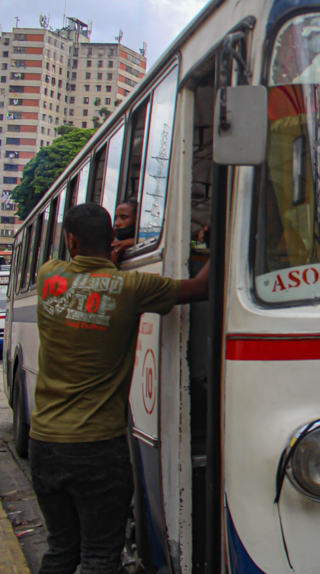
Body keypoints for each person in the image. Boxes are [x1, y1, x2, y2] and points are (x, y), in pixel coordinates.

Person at [30, 202, 209, 574]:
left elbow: (82, 270)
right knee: (99, 555)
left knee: (61, 549)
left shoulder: (49, 275)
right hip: (97, 447)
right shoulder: (131, 286)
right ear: (113, 237)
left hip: (44, 443)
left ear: (71, 241)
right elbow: (199, 287)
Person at [110, 200, 137, 265]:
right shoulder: (112, 246)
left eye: (123, 218)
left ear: (137, 220)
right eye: (116, 218)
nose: (116, 223)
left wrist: (135, 242)